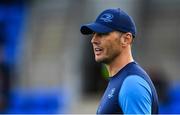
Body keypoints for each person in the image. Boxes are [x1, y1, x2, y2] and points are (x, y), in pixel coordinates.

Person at [80, 8, 159, 114]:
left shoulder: (131, 84)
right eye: (94, 34)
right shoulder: (119, 80)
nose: (93, 40)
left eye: (102, 34)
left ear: (126, 39)